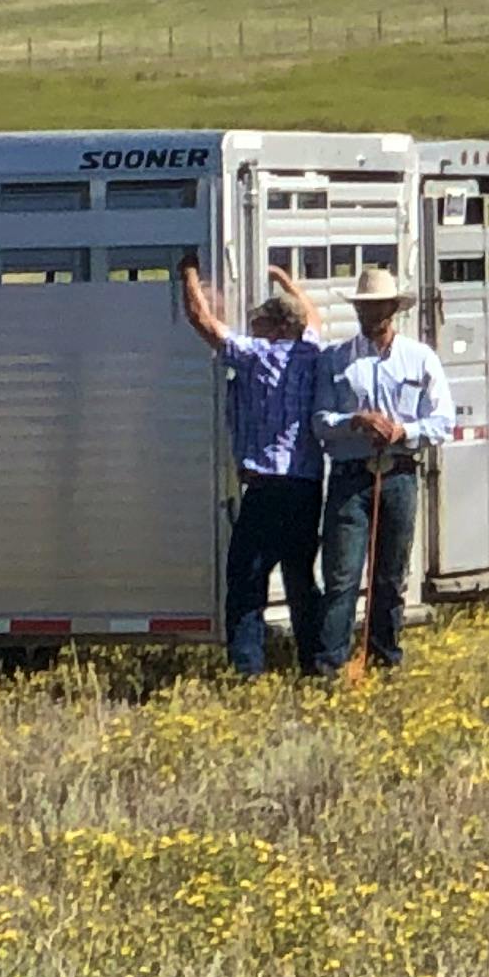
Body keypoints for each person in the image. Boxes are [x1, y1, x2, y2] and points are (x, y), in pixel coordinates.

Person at [176, 253, 331, 678]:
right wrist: (287, 281)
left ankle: (247, 669)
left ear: (278, 327)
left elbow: (200, 320)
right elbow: (313, 318)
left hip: (266, 486)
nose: (253, 327)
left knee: (246, 579)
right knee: (301, 578)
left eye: (260, 321)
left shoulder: (255, 357)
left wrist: (188, 272)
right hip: (305, 485)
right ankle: (315, 662)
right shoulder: (309, 353)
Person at [315, 265, 456, 679]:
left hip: (399, 474)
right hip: (349, 475)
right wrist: (354, 421)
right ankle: (332, 665)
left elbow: (443, 421)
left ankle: (383, 658)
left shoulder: (420, 358)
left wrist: (404, 430)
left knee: (390, 576)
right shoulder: (335, 359)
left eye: (377, 306)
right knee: (341, 575)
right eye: (364, 306)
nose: (370, 313)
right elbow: (319, 420)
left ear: (393, 308)